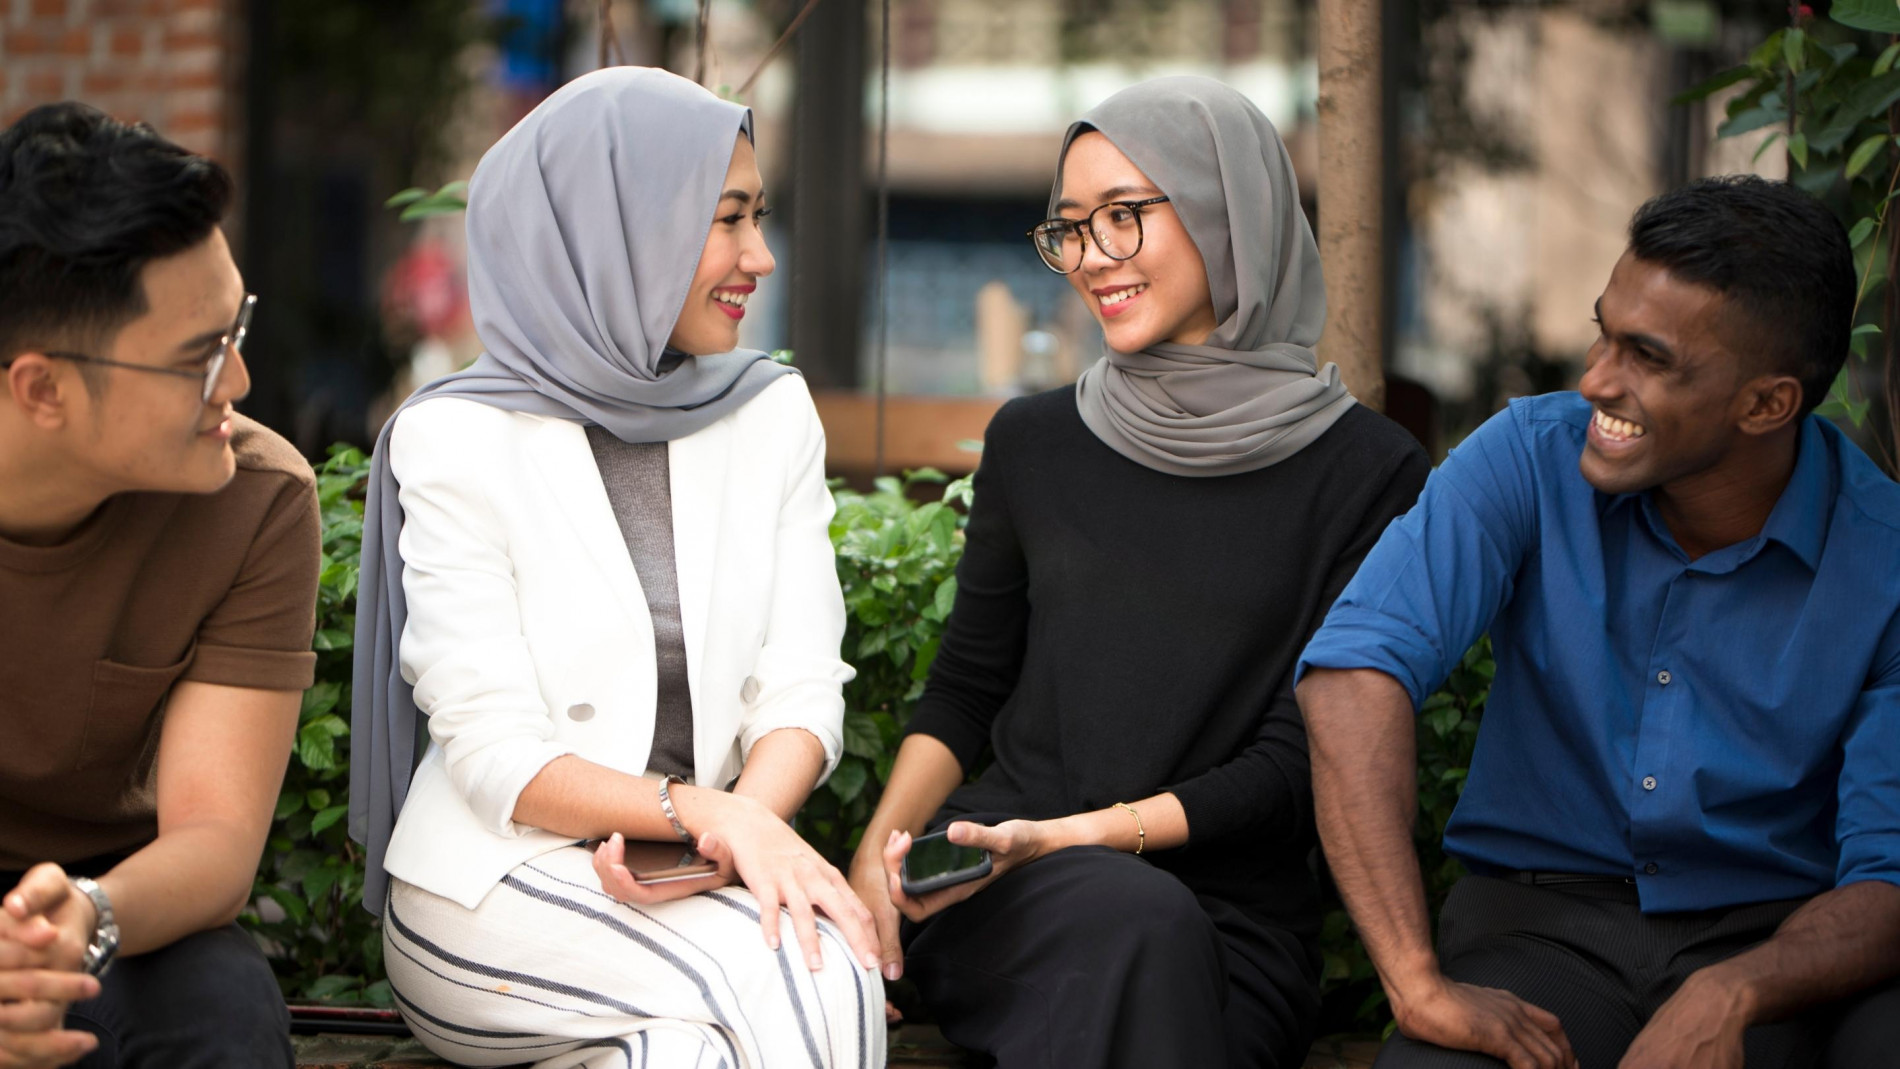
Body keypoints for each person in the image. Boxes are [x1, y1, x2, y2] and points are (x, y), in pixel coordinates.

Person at [846, 77, 1431, 1068]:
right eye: (1070, 228)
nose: (1090, 258)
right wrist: (875, 851)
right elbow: (965, 691)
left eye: (1124, 217)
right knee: (1129, 933)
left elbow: (1305, 762)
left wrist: (1081, 835)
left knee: (1150, 948)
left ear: (1225, 206)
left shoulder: (1366, 471)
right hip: (1001, 883)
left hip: (1228, 916)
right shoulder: (1035, 440)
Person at [1298, 175, 1900, 1069]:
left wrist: (1734, 988)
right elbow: (1354, 675)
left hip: (1777, 948)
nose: (1594, 379)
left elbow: (1889, 877)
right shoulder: (1527, 457)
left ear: (1767, 403)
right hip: (1538, 932)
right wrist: (1417, 983)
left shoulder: (1882, 557)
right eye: (1602, 333)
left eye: (1647, 358)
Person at [348, 67, 885, 1069]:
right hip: (491, 891)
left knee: (689, 1049)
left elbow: (801, 692)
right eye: (726, 220)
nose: (760, 256)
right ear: (618, 228)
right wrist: (707, 815)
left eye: (759, 216)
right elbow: (494, 754)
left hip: (699, 880)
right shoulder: (460, 438)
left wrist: (723, 844)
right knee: (812, 964)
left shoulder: (769, 413)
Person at [0, 103, 318, 1067]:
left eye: (238, 328)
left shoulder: (254, 499)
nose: (242, 381)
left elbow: (215, 839)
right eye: (199, 357)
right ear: (42, 389)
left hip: (109, 901)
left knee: (220, 1005)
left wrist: (77, 921)